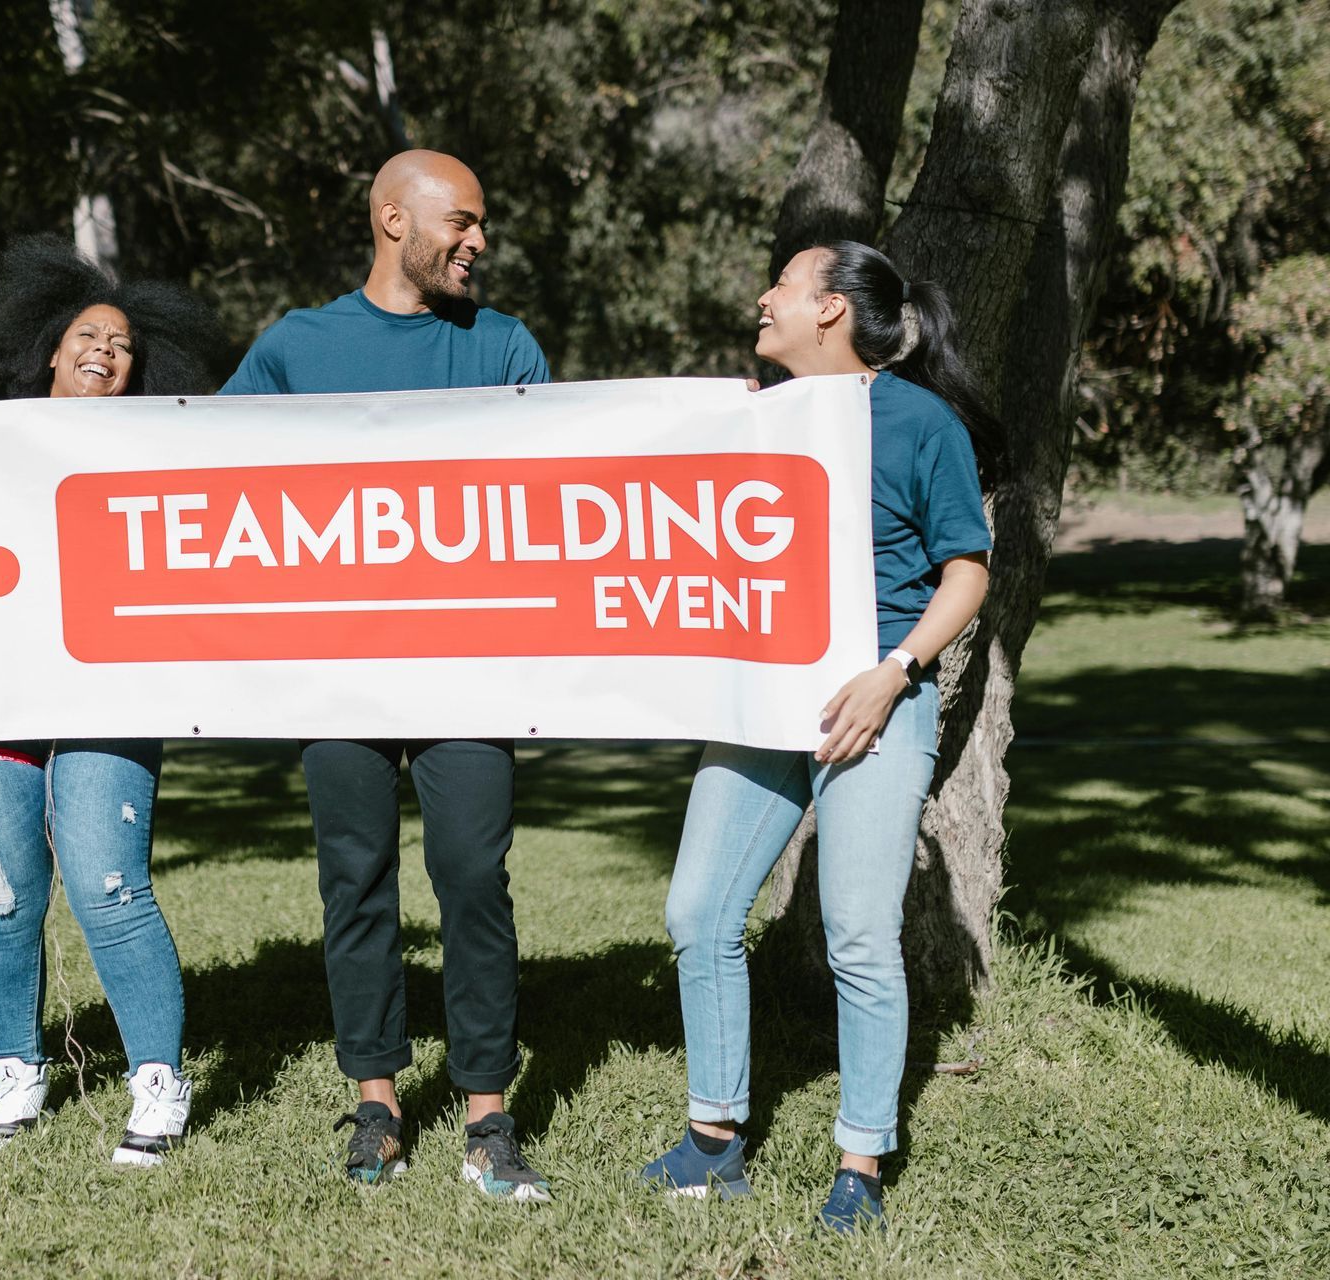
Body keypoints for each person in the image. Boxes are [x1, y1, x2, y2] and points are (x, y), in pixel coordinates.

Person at [638, 241, 996, 1232]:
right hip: (761, 699)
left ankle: (861, 1161)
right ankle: (714, 1141)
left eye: (784, 285)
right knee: (698, 909)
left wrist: (895, 674)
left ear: (831, 308)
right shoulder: (755, 416)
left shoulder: (921, 421)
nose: (763, 296)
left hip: (870, 697)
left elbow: (966, 568)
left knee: (858, 935)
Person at [221, 150, 555, 1201]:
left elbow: (570, 480)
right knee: (355, 880)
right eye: (460, 220)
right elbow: (190, 467)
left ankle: (488, 1114)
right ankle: (376, 1098)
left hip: (471, 667)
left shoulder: (503, 344)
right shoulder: (297, 346)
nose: (479, 241)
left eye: (481, 223)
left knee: (472, 878)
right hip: (337, 670)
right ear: (390, 220)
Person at [0, 235, 222, 1164]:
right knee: (3, 897)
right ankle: (16, 1072)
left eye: (125, 344)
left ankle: (156, 1081)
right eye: (89, 334)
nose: (106, 349)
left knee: (109, 884)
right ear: (51, 349)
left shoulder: (163, 447)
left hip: (112, 693)